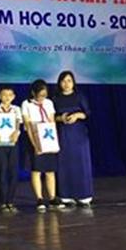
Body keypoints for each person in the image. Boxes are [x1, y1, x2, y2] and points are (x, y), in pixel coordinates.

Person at [22, 79, 64, 212]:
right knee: (36, 169)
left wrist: (55, 141)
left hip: (47, 136)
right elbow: (28, 125)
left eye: (44, 95)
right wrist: (35, 145)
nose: (42, 98)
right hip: (34, 137)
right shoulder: (26, 104)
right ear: (33, 93)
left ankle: (52, 197)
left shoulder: (49, 103)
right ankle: (39, 198)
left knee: (50, 169)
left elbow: (52, 122)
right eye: (40, 95)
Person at [53, 71, 93, 207]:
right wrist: (61, 118)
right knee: (64, 163)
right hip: (63, 133)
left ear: (73, 82)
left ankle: (84, 195)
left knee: (81, 162)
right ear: (59, 83)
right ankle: (66, 195)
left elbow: (87, 113)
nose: (66, 84)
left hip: (79, 133)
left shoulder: (79, 96)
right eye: (63, 81)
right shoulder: (56, 98)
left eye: (69, 80)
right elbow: (52, 116)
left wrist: (76, 115)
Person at [0, 85, 22, 214]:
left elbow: (18, 124)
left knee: (13, 172)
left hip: (13, 143)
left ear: (13, 97)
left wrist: (16, 133)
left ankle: (10, 201)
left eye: (10, 95)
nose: (7, 97)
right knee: (1, 171)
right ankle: (2, 201)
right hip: (0, 143)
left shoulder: (16, 109)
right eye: (4, 95)